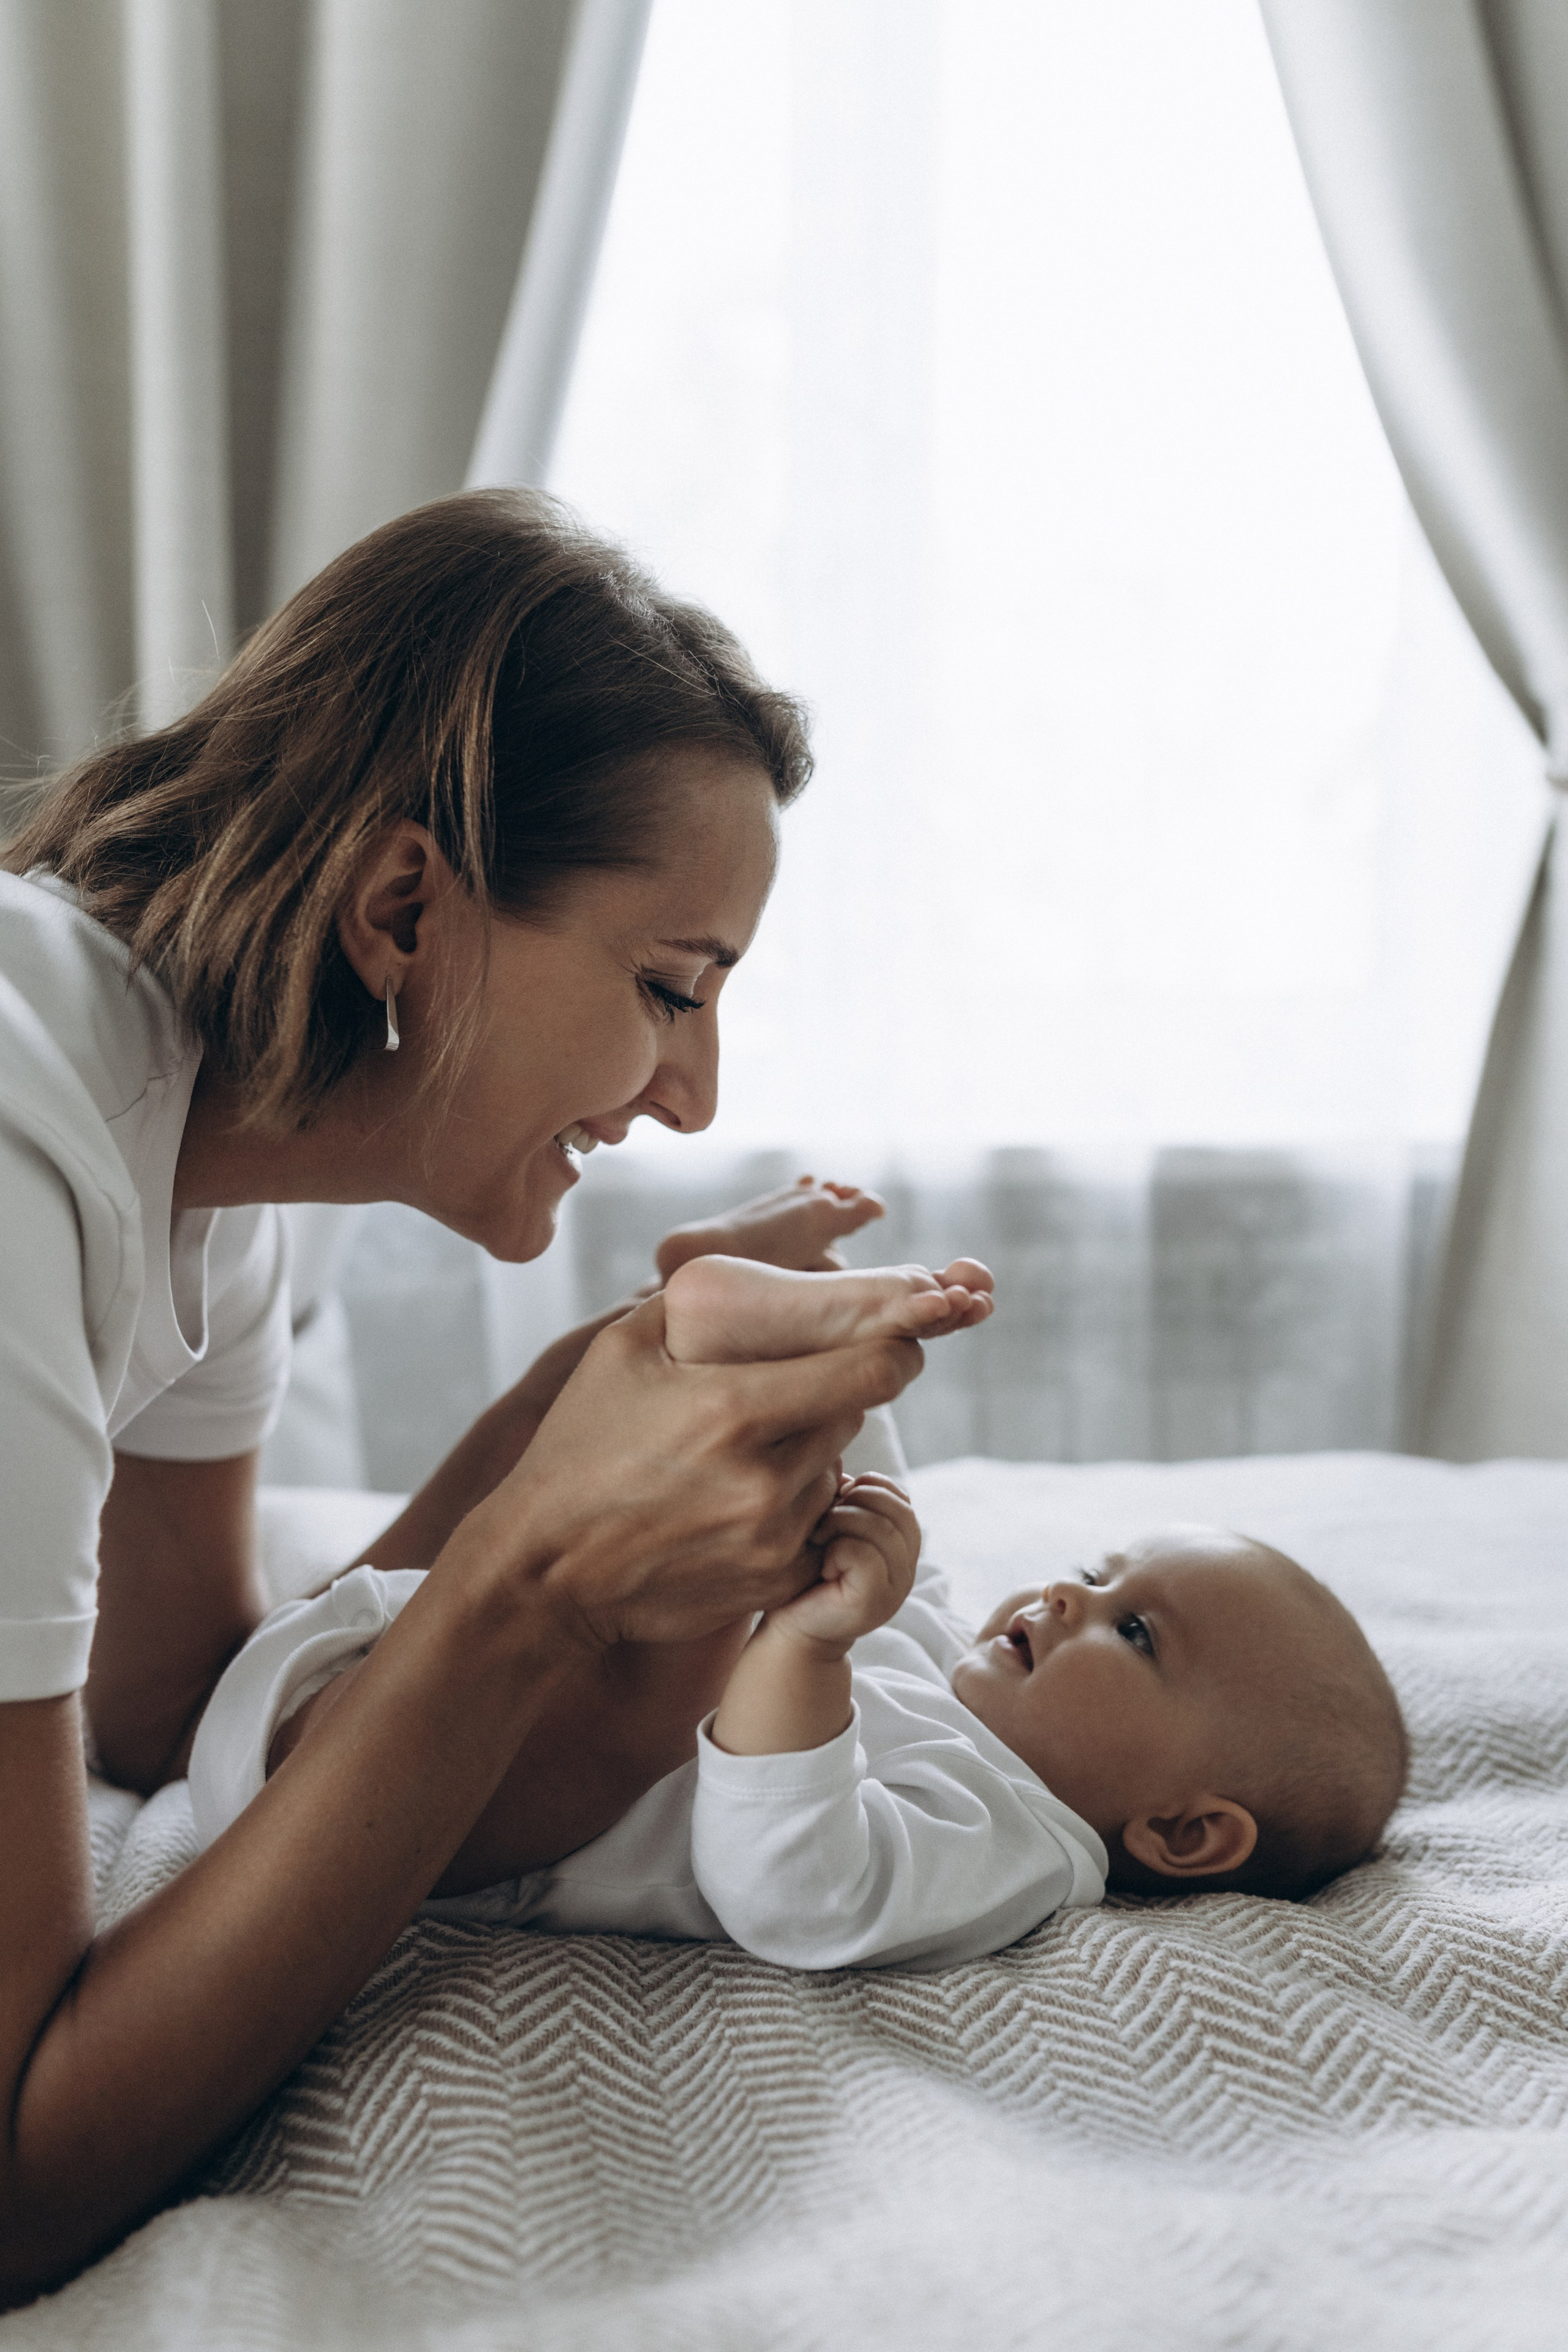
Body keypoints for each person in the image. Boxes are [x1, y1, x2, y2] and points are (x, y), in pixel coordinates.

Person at [0, 489, 927, 2305]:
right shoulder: (27, 1146)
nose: (694, 1097)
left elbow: (168, 1707)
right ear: (406, 906)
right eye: (671, 988)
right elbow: (18, 2187)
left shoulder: (190, 1135)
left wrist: (582, 1403)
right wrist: (532, 1577)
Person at [190, 1252, 1411, 1971]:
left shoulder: (1015, 1846)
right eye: (1095, 1571)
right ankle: (756, 1340)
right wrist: (855, 1394)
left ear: (1182, 1834)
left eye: (1131, 1631)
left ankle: (696, 1356)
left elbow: (793, 1889)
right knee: (759, 1504)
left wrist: (806, 1642)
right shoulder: (949, 1675)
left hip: (371, 1801)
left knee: (726, 1549)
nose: (1064, 1597)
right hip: (388, 1651)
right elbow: (902, 1558)